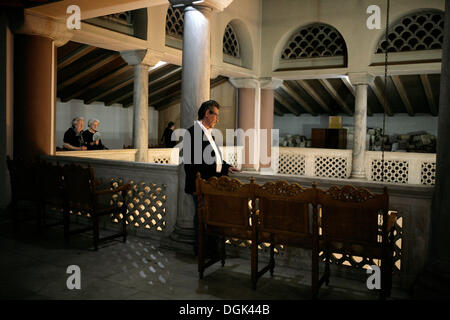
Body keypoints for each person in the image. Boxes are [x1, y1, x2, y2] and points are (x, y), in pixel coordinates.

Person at [183, 100, 241, 256]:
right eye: (216, 115)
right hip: (201, 185)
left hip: (212, 184)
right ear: (207, 113)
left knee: (210, 218)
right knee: (201, 219)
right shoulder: (193, 132)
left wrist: (226, 166)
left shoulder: (208, 133)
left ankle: (210, 250)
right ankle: (201, 251)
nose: (218, 119)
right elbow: (191, 165)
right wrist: (198, 186)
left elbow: (215, 159)